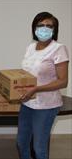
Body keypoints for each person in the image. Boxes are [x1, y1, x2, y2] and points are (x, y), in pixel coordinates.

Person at [18, 12, 69, 159]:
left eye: (49, 26)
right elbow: (26, 74)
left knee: (39, 148)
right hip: (27, 102)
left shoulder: (59, 48)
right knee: (21, 143)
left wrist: (37, 88)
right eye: (41, 25)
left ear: (55, 30)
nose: (44, 28)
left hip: (46, 106)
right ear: (34, 28)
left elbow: (63, 81)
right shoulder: (31, 47)